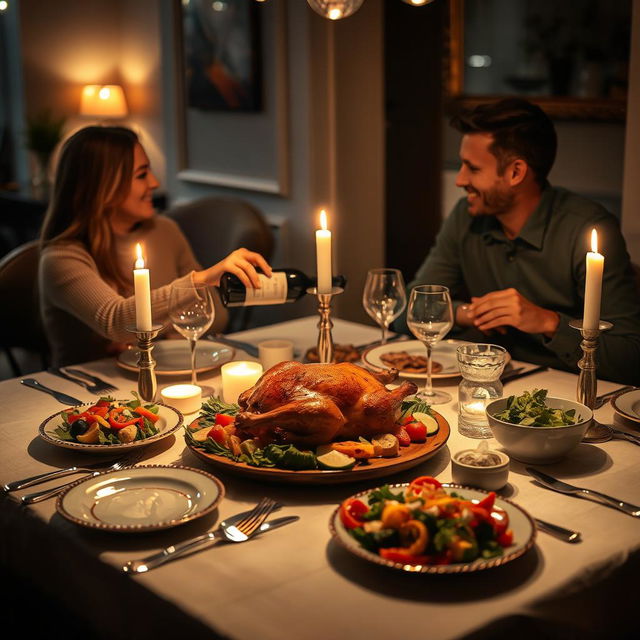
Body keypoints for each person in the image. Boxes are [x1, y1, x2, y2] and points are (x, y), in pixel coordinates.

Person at [406, 98, 640, 385]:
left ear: (516, 172)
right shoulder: (466, 216)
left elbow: (631, 357)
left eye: (473, 168)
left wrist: (548, 322)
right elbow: (410, 305)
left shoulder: (587, 229)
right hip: (489, 382)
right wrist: (468, 313)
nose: (460, 180)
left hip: (569, 393)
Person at [39, 126, 272, 366]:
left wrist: (149, 338)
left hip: (160, 372)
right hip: (87, 390)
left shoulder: (164, 230)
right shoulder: (61, 259)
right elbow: (116, 321)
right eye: (141, 175)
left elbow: (216, 316)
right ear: (103, 187)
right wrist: (200, 280)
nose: (154, 182)